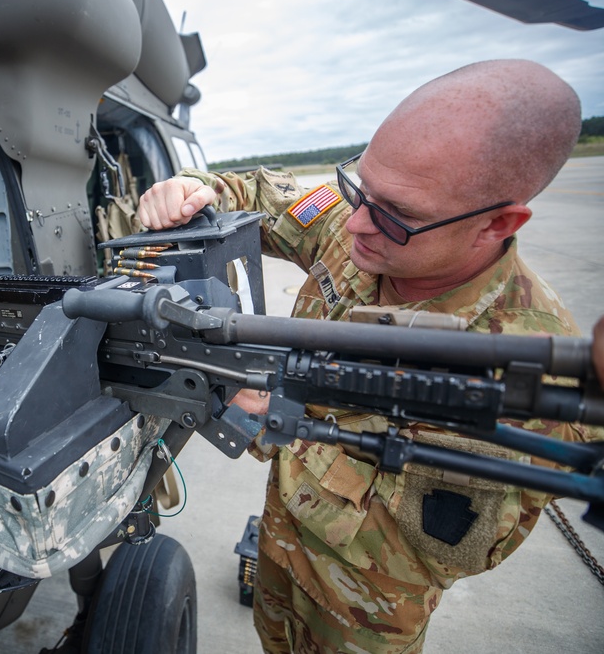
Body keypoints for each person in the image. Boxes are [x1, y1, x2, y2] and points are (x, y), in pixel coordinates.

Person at [138, 59, 600, 653]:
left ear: (496, 224)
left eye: (396, 214)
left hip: (361, 617)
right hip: (280, 554)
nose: (356, 223)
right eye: (359, 186)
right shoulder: (360, 218)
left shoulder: (530, 364)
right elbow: (258, 197)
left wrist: (283, 414)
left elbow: (433, 547)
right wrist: (196, 192)